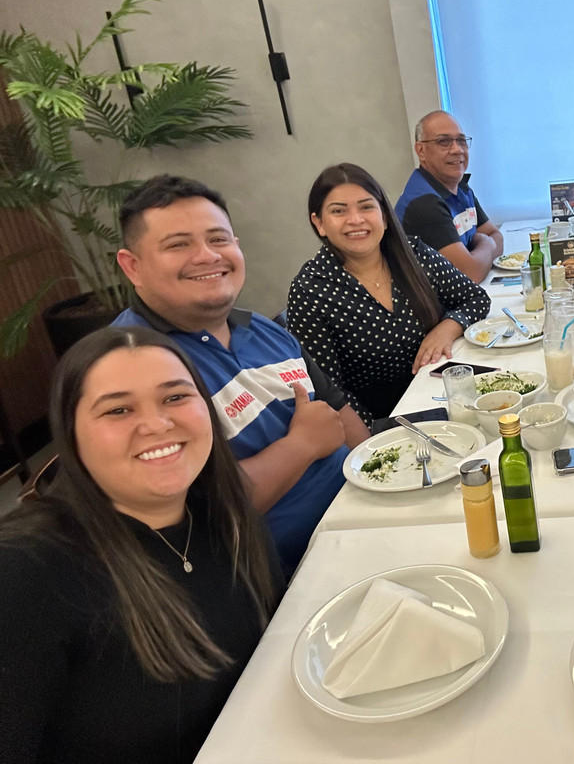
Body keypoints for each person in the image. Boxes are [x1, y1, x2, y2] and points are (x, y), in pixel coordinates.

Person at [0, 326, 283, 764]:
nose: (156, 424)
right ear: (70, 436)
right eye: (118, 410)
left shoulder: (221, 512)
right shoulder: (25, 572)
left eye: (175, 397)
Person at [112, 175, 369, 574]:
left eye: (218, 239)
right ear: (133, 266)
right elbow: (200, 514)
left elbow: (337, 409)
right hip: (285, 577)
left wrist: (385, 482)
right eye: (178, 245)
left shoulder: (264, 329)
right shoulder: (133, 366)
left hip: (359, 522)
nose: (207, 256)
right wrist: (302, 445)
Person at [288, 163, 491, 425]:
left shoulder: (413, 253)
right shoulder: (310, 291)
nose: (355, 220)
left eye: (366, 207)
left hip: (444, 396)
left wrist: (448, 327)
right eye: (338, 211)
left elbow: (476, 298)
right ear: (319, 223)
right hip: (384, 423)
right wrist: (374, 434)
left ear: (384, 216)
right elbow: (329, 393)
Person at [394, 110, 504, 282]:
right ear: (421, 151)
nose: (457, 149)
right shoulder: (424, 204)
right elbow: (470, 274)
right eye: (443, 142)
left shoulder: (461, 188)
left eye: (461, 141)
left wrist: (480, 252)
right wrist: (487, 244)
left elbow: (496, 235)